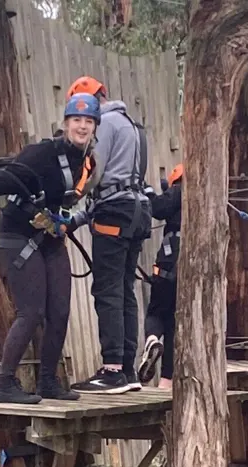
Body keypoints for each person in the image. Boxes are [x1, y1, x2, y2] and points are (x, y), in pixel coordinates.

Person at [0, 93, 101, 404]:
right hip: (18, 238)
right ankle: (4, 384)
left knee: (60, 311)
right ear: (65, 123)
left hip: (50, 238)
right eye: (76, 120)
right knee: (32, 311)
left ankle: (48, 381)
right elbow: (9, 179)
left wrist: (71, 223)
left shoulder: (87, 164)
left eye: (88, 121)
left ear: (95, 127)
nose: (82, 126)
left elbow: (80, 207)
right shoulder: (41, 153)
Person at [63, 76, 152, 395]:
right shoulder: (134, 125)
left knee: (108, 291)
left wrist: (70, 197)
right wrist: (79, 219)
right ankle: (127, 369)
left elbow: (95, 171)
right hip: (137, 210)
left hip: (114, 213)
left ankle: (112, 370)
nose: (83, 121)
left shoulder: (107, 124)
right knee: (125, 289)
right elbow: (126, 179)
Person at [136, 163, 182, 389]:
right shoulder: (212, 199)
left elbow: (157, 208)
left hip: (168, 266)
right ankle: (166, 381)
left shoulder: (180, 191)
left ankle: (152, 339)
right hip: (191, 274)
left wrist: (148, 191)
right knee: (174, 324)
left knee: (156, 311)